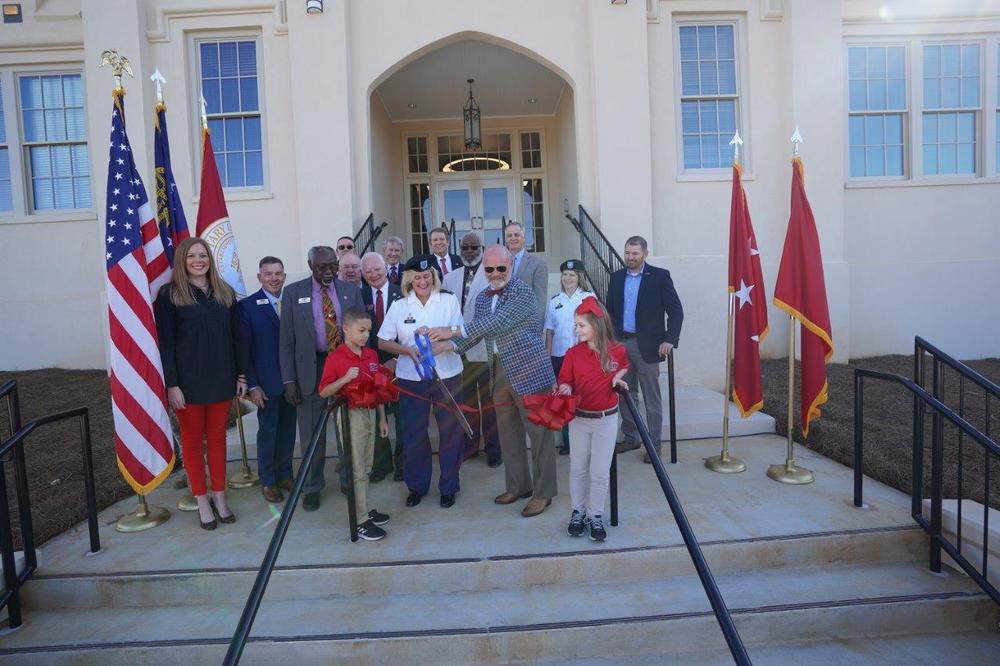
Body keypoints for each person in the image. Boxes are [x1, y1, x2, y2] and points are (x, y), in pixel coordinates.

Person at [429, 245, 557, 518]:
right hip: (498, 370)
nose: (496, 273)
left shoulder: (522, 292)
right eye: (489, 269)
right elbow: (476, 333)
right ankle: (518, 486)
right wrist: (447, 345)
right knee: (508, 434)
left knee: (540, 435)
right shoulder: (484, 297)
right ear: (483, 269)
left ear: (511, 264)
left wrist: (451, 330)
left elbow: (496, 323)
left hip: (530, 371)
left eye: (502, 267)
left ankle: (543, 493)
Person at [155, 237, 245, 529]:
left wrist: (241, 375)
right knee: (193, 441)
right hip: (187, 384)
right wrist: (172, 384)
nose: (198, 260)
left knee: (218, 439)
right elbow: (166, 344)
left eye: (203, 255)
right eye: (192, 255)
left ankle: (220, 497)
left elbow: (237, 340)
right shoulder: (169, 295)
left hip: (221, 378)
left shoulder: (225, 293)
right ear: (182, 260)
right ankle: (202, 500)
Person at [377, 255, 466, 508]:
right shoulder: (399, 306)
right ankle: (416, 486)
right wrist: (407, 351)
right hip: (410, 379)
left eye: (427, 276)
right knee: (414, 434)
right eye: (417, 277)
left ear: (434, 277)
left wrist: (444, 342)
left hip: (448, 376)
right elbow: (383, 341)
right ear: (409, 280)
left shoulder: (448, 300)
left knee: (451, 433)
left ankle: (449, 486)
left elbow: (462, 334)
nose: (423, 281)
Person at [279, 246, 364, 510]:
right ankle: (312, 486)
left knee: (347, 430)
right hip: (310, 370)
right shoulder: (293, 293)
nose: (328, 272)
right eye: (321, 267)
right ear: (310, 265)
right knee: (311, 434)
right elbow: (286, 341)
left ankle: (348, 480)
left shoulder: (350, 291)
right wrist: (288, 381)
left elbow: (363, 330)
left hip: (344, 367)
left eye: (332, 266)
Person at [556, 297, 629, 542]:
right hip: (579, 419)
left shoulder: (617, 350)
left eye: (581, 325)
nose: (576, 330)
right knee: (578, 468)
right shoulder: (573, 353)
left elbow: (624, 366)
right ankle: (578, 511)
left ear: (596, 326)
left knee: (599, 472)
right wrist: (565, 388)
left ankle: (595, 514)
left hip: (606, 420)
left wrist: (618, 377)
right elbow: (565, 379)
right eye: (575, 325)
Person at [605, 235, 684, 462]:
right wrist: (610, 340)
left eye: (635, 254)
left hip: (648, 346)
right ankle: (631, 437)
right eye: (627, 253)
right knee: (625, 395)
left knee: (651, 398)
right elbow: (610, 312)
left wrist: (670, 339)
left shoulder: (659, 277)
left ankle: (654, 446)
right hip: (621, 344)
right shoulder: (616, 277)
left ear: (645, 254)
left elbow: (676, 312)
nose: (630, 258)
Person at [318, 307, 391, 541]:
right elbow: (323, 392)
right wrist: (345, 379)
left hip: (370, 413)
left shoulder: (371, 355)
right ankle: (360, 520)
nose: (365, 335)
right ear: (346, 329)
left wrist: (381, 418)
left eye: (368, 330)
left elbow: (378, 388)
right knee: (357, 467)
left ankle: (364, 508)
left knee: (367, 465)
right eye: (361, 330)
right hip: (350, 416)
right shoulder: (336, 358)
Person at [237, 256, 297, 503]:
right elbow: (245, 349)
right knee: (268, 431)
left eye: (278, 274)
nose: (274, 278)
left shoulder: (292, 302)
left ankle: (285, 474)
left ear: (284, 276)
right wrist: (252, 384)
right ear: (260, 277)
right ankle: (268, 481)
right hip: (266, 383)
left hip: (292, 383)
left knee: (288, 430)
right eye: (269, 274)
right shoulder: (247, 306)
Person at [442, 232, 501, 467]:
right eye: (465, 247)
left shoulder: (492, 275)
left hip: (484, 347)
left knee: (489, 402)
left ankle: (494, 448)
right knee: (466, 402)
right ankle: (470, 445)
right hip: (458, 350)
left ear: (482, 248)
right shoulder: (449, 278)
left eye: (473, 247)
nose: (469, 251)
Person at [359, 251, 405, 482]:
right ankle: (382, 463)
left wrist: (397, 359)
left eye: (377, 269)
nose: (373, 274)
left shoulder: (403, 293)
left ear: (386, 268)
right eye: (368, 271)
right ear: (363, 275)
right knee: (377, 416)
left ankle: (402, 464)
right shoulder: (360, 295)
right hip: (371, 368)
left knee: (403, 416)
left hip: (399, 365)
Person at [544, 259, 594, 455]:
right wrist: (547, 357)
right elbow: (549, 331)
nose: (567, 277)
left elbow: (595, 328)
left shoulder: (589, 298)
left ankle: (585, 442)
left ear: (579, 277)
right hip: (559, 357)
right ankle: (568, 443)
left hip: (582, 357)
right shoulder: (555, 300)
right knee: (564, 401)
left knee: (584, 399)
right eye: (564, 274)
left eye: (571, 274)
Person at [504, 221, 547, 326]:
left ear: (524, 238)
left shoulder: (538, 264)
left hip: (526, 326)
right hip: (503, 328)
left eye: (517, 235)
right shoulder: (499, 263)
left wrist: (536, 328)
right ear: (506, 239)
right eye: (509, 235)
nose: (513, 238)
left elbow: (540, 300)